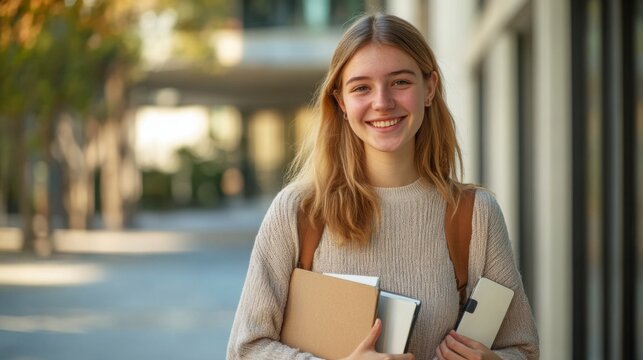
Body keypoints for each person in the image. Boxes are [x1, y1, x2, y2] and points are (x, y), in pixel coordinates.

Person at [227, 13, 539, 360]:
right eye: (361, 87)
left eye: (400, 82)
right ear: (342, 103)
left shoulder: (474, 215)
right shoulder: (299, 211)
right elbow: (245, 349)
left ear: (429, 88)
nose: (382, 102)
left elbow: (522, 348)